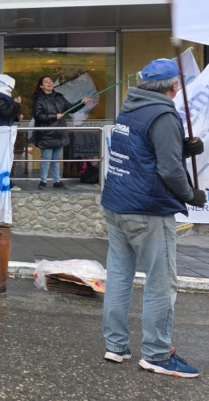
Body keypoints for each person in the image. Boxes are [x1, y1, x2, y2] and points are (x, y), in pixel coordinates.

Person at [101, 58, 204, 378]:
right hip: (147, 210)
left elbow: (142, 151)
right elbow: (169, 170)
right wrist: (191, 196)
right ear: (175, 86)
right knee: (161, 282)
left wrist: (183, 148)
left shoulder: (130, 106)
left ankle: (116, 346)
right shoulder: (164, 114)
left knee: (119, 275)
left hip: (116, 203)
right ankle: (157, 353)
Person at [31, 76, 90, 190]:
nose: (49, 83)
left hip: (59, 133)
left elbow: (70, 108)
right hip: (46, 134)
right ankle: (43, 181)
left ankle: (57, 181)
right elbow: (38, 116)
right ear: (41, 86)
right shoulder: (38, 99)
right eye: (46, 82)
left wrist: (82, 102)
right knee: (46, 158)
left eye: (51, 81)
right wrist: (54, 116)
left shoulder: (59, 97)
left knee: (56, 159)